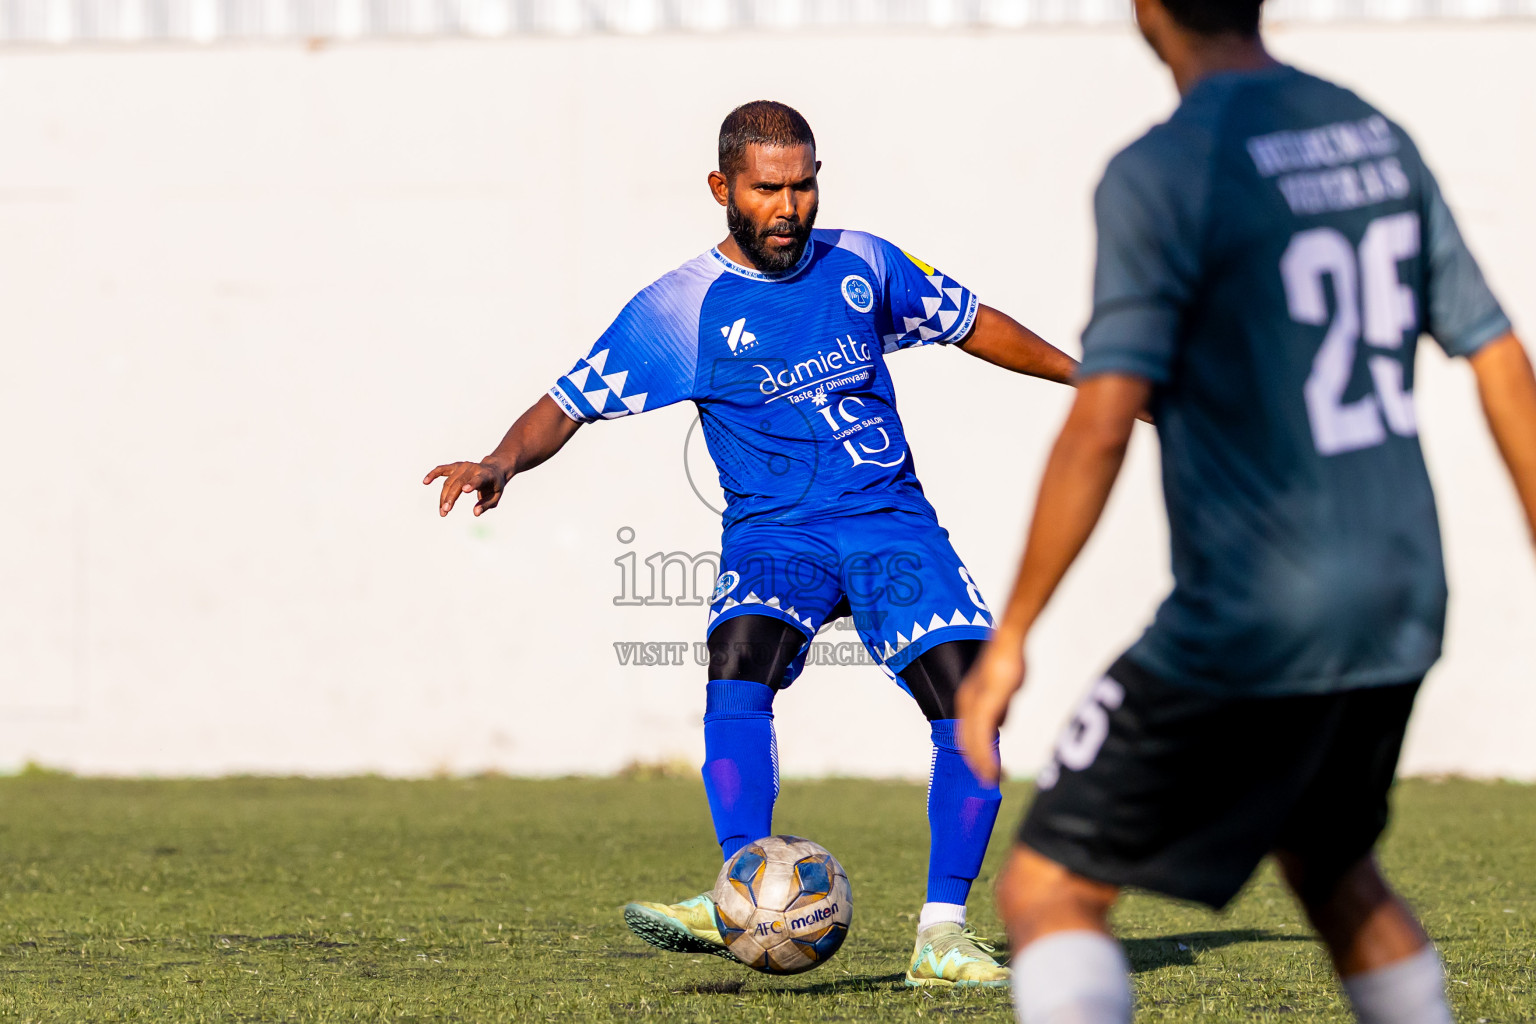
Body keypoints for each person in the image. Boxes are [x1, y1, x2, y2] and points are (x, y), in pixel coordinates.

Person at [956, 0, 1536, 1021]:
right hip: (1402, 593)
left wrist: (1012, 637)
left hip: (1254, 610)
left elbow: (1102, 421)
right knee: (1331, 867)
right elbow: (1497, 357)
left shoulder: (1164, 168)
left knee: (1046, 887)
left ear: (1148, 10)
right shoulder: (1369, 132)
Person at [426, 100, 1082, 986]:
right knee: (738, 663)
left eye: (802, 186)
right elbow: (568, 402)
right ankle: (737, 886)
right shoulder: (679, 308)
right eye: (767, 189)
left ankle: (941, 935)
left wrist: (1091, 381)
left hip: (890, 524)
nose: (788, 207)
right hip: (776, 537)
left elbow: (974, 323)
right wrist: (503, 459)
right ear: (722, 188)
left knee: (972, 705)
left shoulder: (864, 261)